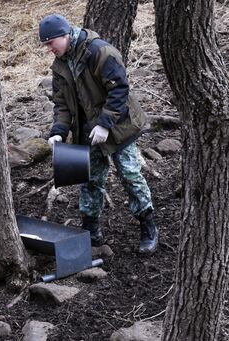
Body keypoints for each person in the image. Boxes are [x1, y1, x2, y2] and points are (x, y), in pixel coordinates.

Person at [39, 13, 158, 254]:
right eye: (46, 45)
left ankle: (148, 226)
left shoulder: (100, 52)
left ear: (64, 35)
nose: (49, 49)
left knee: (130, 175)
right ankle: (91, 233)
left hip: (120, 127)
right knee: (90, 180)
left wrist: (105, 124)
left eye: (51, 43)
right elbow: (61, 103)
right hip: (86, 131)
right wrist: (59, 131)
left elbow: (120, 90)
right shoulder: (60, 65)